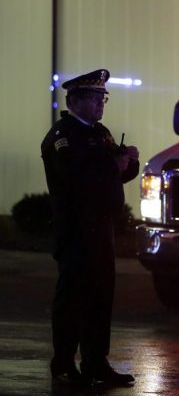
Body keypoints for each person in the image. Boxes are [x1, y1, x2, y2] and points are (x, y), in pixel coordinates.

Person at [41, 69, 140, 386]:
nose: (100, 104)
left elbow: (115, 172)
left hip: (101, 228)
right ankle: (64, 363)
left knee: (100, 297)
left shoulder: (100, 132)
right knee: (73, 298)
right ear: (74, 101)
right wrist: (115, 165)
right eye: (94, 98)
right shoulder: (62, 136)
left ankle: (96, 362)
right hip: (77, 229)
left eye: (103, 98)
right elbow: (78, 178)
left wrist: (127, 162)